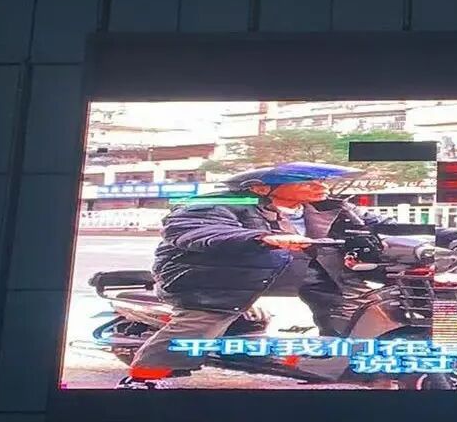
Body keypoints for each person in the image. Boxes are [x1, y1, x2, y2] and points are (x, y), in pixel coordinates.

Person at [117, 162, 380, 389]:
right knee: (202, 322)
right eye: (306, 182)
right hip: (223, 273)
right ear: (261, 188)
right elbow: (199, 231)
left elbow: (378, 224)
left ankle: (337, 363)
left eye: (321, 181)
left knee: (356, 309)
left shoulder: (331, 207)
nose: (319, 186)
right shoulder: (219, 203)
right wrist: (261, 237)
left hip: (303, 268)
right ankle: (144, 377)